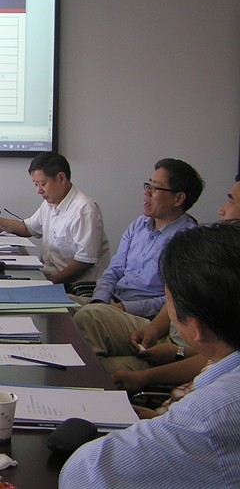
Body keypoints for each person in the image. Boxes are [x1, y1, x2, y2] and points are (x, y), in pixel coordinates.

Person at [59, 223, 240, 488]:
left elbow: (82, 475)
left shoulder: (208, 415)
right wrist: (160, 423)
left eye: (169, 300)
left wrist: (162, 430)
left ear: (196, 327)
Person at [111, 175, 240, 397]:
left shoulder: (217, 260)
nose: (221, 209)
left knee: (98, 367)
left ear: (178, 198)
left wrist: (176, 353)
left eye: (231, 201)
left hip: (180, 353)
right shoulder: (141, 225)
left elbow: (217, 354)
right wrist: (153, 331)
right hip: (170, 340)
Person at [73, 158, 203, 374]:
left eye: (155, 188)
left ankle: (83, 380)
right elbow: (113, 271)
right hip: (112, 302)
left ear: (178, 198)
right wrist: (100, 300)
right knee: (58, 307)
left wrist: (124, 308)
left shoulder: (188, 240)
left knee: (90, 317)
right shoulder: (139, 225)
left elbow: (171, 301)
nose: (146, 192)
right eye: (148, 185)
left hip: (144, 317)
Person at [0, 151, 109, 285]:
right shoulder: (50, 204)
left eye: (43, 184)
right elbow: (28, 228)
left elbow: (84, 261)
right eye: (36, 185)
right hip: (47, 277)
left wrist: (49, 283)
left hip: (73, 287)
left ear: (61, 178)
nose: (39, 191)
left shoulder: (84, 210)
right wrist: (1, 223)